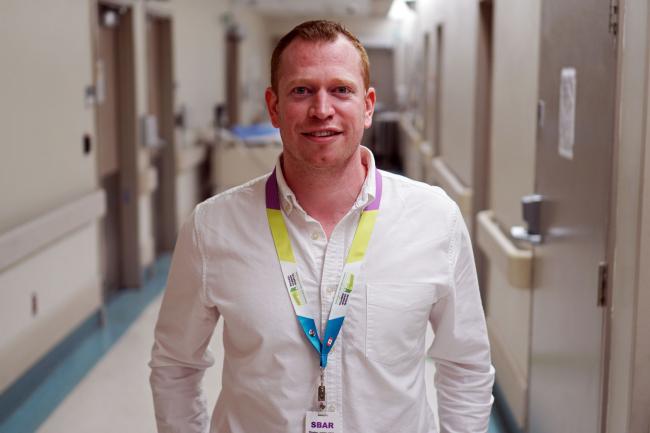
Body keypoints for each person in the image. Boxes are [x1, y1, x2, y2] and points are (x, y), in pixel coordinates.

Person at [149, 20, 494, 433]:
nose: (322, 109)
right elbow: (175, 365)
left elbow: (467, 364)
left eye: (341, 90)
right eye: (301, 90)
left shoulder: (434, 220)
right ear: (274, 107)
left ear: (367, 106)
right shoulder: (212, 228)